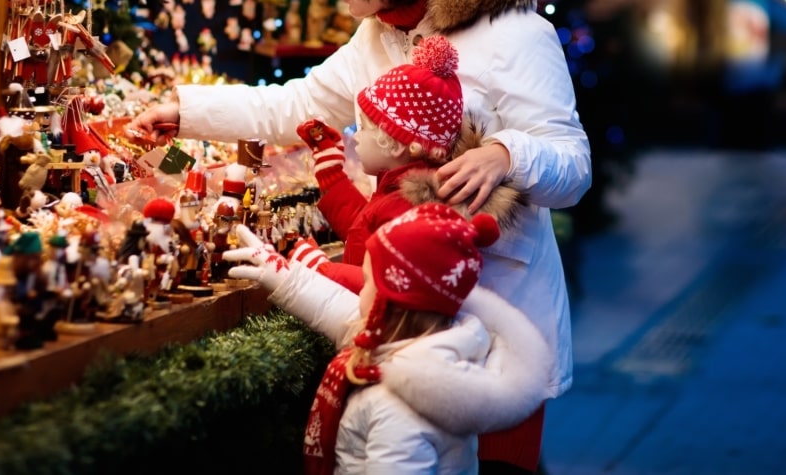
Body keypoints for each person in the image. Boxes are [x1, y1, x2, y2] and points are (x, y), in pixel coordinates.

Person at [131, 0, 592, 473]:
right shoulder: (376, 36)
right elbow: (295, 105)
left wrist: (507, 153)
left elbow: (573, 166)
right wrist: (184, 110)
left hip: (495, 320)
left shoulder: (517, 34)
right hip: (398, 315)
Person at [224, 203, 552, 475]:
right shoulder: (425, 346)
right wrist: (285, 275)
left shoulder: (399, 407)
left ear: (391, 304)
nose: (361, 290)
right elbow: (340, 310)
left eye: (368, 282)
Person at [291, 34, 525, 294]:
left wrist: (320, 270)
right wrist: (332, 176)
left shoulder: (407, 209)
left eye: (364, 128)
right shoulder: (399, 190)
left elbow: (381, 285)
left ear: (395, 142)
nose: (355, 136)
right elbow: (365, 232)